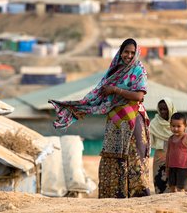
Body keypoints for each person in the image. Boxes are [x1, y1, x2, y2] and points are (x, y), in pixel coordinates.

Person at [48, 38, 150, 198]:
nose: (128, 55)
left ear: (136, 53)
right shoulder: (114, 70)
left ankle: (138, 195)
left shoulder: (139, 70)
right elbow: (101, 93)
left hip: (133, 117)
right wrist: (86, 107)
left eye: (132, 52)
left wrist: (115, 90)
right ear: (120, 52)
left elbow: (138, 96)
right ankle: (115, 194)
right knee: (112, 155)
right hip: (115, 119)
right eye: (126, 52)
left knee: (134, 156)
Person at [150, 98, 177, 194]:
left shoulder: (176, 123)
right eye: (160, 109)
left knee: (173, 181)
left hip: (175, 156)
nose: (162, 112)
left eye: (165, 109)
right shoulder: (154, 123)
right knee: (159, 179)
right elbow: (149, 141)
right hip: (160, 156)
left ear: (170, 109)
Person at [165, 112, 187, 192]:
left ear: (185, 126)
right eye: (173, 126)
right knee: (172, 186)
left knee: (181, 187)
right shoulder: (170, 139)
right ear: (170, 126)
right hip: (172, 167)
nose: (175, 129)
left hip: (183, 167)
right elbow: (168, 153)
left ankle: (180, 201)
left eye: (179, 126)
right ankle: (173, 202)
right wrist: (167, 167)